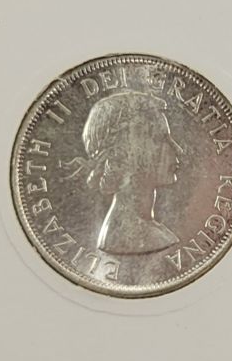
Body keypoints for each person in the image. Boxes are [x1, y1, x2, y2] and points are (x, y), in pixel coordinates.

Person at [73, 90, 185, 254]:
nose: (178, 149)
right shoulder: (139, 236)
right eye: (159, 139)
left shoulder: (151, 232)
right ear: (124, 152)